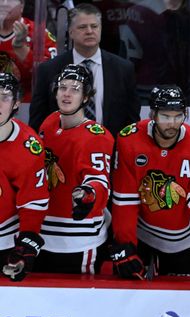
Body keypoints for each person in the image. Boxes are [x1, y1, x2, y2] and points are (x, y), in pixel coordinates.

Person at [110, 86, 190, 279]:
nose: (172, 124)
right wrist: (125, 244)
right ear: (153, 115)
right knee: (129, 296)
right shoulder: (128, 140)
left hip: (182, 237)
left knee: (179, 301)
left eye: (178, 116)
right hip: (140, 233)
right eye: (165, 117)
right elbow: (125, 199)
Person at [35, 64, 114, 274]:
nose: (67, 94)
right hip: (43, 235)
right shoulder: (49, 123)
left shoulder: (97, 136)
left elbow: (99, 180)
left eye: (75, 89)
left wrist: (88, 194)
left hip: (79, 240)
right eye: (63, 87)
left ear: (86, 97)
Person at [29, 3, 139, 137]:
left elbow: (132, 122)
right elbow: (37, 121)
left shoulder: (123, 69)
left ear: (101, 29)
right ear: (70, 32)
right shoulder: (49, 69)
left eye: (94, 26)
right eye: (82, 27)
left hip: (110, 150)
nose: (89, 31)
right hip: (62, 150)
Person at [0, 72, 47, 282]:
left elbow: (33, 202)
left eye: (4, 96)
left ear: (17, 103)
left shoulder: (29, 146)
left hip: (4, 242)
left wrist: (26, 245)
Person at [0, 0, 56, 102]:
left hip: (26, 104)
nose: (4, 4)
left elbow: (51, 74)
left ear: (22, 6)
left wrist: (21, 48)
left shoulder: (38, 31)